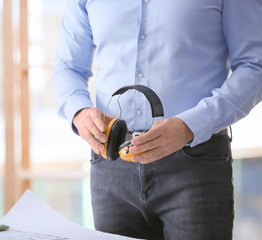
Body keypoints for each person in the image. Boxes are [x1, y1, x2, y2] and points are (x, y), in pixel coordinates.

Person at [51, 0, 262, 239]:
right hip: (111, 160)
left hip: (195, 161)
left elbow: (254, 66)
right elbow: (67, 67)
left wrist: (190, 125)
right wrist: (79, 112)